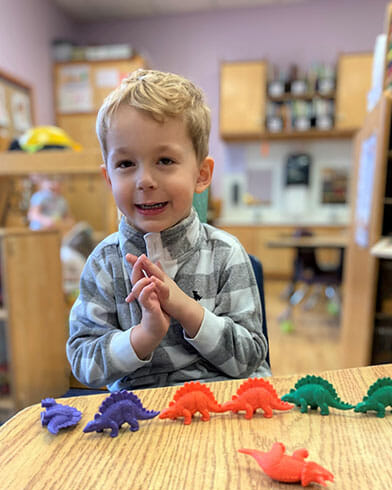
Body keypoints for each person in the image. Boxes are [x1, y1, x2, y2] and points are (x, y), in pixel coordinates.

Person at [67, 68, 270, 391]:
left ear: (202, 174)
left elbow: (249, 359)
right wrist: (143, 335)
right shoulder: (104, 263)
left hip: (222, 407)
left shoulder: (225, 253)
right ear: (108, 179)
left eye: (164, 160)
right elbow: (84, 364)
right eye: (125, 164)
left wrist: (185, 308)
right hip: (138, 415)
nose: (144, 180)